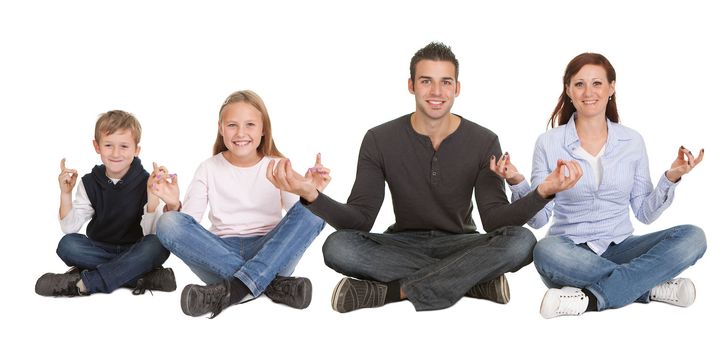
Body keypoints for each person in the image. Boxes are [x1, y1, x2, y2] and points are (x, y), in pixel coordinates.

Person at [267, 42, 575, 313]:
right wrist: (311, 194)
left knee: (521, 241)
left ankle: (390, 292)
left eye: (445, 82)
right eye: (427, 81)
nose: (437, 92)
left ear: (457, 88)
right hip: (400, 243)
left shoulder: (483, 140)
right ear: (412, 85)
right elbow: (359, 220)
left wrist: (543, 191)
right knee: (337, 247)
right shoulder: (379, 139)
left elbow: (495, 221)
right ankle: (472, 282)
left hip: (462, 243)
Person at [501, 53, 706, 318]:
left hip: (622, 247)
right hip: (570, 254)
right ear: (568, 90)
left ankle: (589, 299)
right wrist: (517, 181)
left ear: (611, 87)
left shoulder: (631, 141)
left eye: (597, 83)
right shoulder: (548, 143)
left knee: (693, 237)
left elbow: (645, 213)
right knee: (544, 250)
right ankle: (648, 286)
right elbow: (540, 221)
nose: (589, 92)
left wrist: (671, 178)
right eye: (579, 84)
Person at [153, 90, 327, 318]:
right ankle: (271, 285)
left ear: (263, 129)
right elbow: (188, 225)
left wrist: (309, 190)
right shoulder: (208, 168)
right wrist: (173, 203)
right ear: (221, 128)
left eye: (250, 125)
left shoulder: (277, 165)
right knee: (167, 222)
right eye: (232, 125)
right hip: (218, 254)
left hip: (272, 251)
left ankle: (235, 288)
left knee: (315, 210)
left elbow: (299, 219)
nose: (241, 133)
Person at [35, 110, 175, 297]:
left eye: (124, 146)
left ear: (136, 150)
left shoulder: (146, 181)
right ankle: (142, 276)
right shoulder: (89, 182)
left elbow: (150, 234)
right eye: (108, 145)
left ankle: (85, 282)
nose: (116, 153)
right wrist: (65, 194)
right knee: (67, 245)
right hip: (98, 248)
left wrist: (152, 197)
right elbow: (70, 228)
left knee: (157, 244)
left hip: (136, 248)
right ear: (97, 146)